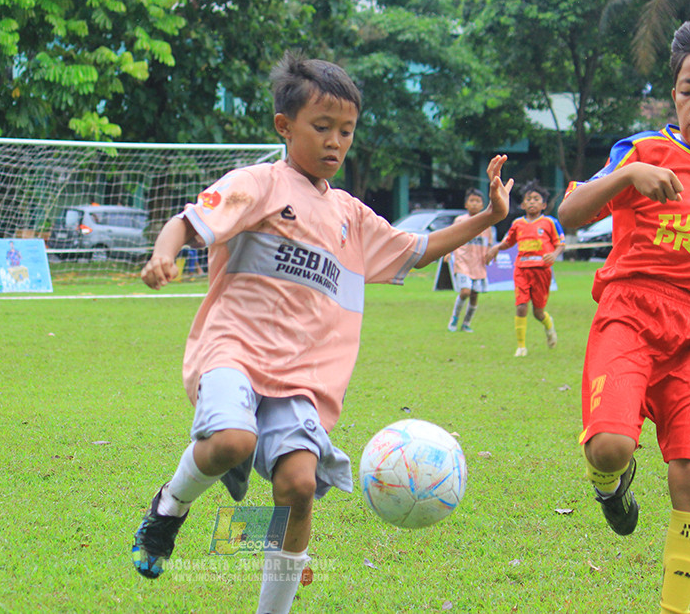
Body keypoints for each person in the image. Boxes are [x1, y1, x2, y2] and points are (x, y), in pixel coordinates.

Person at [130, 52, 513, 614]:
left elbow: (418, 249)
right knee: (234, 441)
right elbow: (187, 223)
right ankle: (170, 507)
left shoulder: (353, 217)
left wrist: (486, 218)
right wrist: (164, 256)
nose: (336, 142)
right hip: (232, 349)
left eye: (347, 131)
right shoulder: (258, 184)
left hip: (302, 378)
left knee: (299, 486)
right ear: (284, 126)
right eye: (322, 127)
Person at [558, 12, 690, 614]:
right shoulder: (641, 151)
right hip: (631, 315)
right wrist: (626, 176)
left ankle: (674, 609)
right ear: (673, 93)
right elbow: (569, 214)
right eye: (687, 89)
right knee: (610, 446)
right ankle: (609, 485)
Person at [485, 180, 564, 357]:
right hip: (521, 269)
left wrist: (554, 254)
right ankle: (521, 346)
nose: (531, 202)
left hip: (542, 272)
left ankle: (548, 324)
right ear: (522, 204)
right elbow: (508, 242)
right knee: (521, 307)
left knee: (538, 312)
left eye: (536, 199)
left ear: (544, 204)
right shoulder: (517, 224)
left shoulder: (550, 223)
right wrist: (497, 247)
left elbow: (560, 244)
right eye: (528, 199)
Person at [445, 187, 494, 332]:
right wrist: (448, 252)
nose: (474, 204)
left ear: (482, 205)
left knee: (474, 295)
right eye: (471, 201)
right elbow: (451, 237)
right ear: (466, 204)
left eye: (477, 201)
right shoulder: (460, 220)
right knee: (465, 291)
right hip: (462, 261)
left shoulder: (486, 223)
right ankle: (454, 319)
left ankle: (466, 323)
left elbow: (489, 243)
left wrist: (490, 254)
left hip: (478, 263)